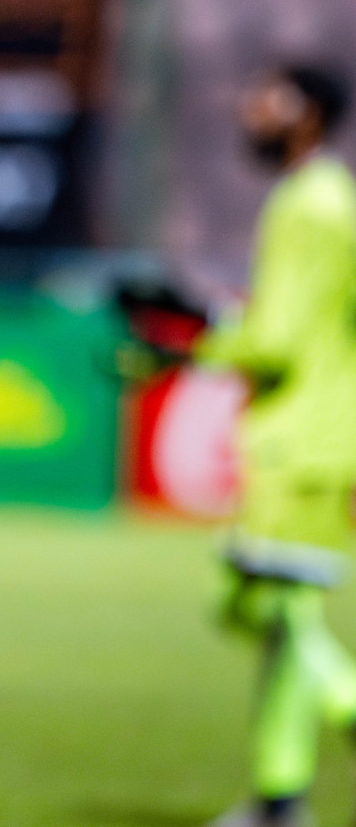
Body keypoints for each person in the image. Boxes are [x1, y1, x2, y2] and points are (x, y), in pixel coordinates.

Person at [197, 66, 356, 827]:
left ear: (308, 115)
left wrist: (195, 341)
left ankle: (341, 705)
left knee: (267, 612)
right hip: (321, 439)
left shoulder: (311, 205)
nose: (248, 108)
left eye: (267, 98)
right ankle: (279, 803)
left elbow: (278, 341)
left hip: (298, 444)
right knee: (272, 614)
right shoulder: (329, 200)